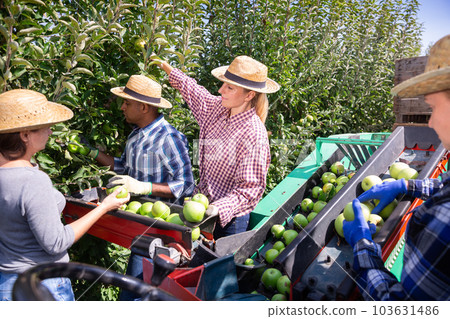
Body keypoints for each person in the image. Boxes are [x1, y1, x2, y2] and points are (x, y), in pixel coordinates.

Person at [343, 35, 450, 301]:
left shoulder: (444, 224)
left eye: (434, 108)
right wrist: (407, 185)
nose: (432, 123)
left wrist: (363, 247)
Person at [0, 89, 130, 301]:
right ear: (24, 135)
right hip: (42, 287)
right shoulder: (33, 181)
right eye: (45, 127)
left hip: (7, 285)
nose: (51, 132)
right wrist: (104, 207)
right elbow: (56, 243)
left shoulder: (15, 174)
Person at [157, 55, 280, 238]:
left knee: (217, 265)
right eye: (223, 84)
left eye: (229, 87)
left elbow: (249, 190)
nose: (221, 89)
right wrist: (165, 66)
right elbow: (192, 90)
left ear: (250, 95)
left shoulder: (253, 134)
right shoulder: (218, 109)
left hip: (229, 222)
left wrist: (217, 208)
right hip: (201, 207)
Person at [83, 75, 194, 203]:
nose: (122, 107)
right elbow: (124, 166)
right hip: (134, 214)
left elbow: (187, 185)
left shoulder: (169, 138)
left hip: (158, 219)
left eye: (127, 103)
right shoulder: (135, 135)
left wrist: (146, 187)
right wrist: (92, 152)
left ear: (143, 107)